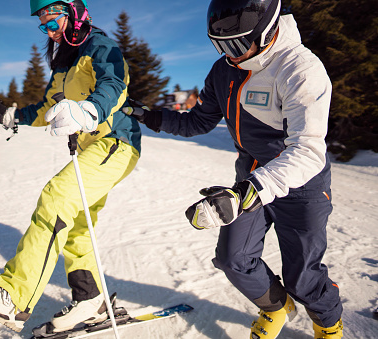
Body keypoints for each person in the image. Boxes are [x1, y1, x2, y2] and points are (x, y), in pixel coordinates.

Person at [124, 0, 343, 337]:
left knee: (304, 278)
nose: (232, 55)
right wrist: (149, 115)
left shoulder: (300, 68)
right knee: (233, 260)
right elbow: (198, 121)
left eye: (239, 44)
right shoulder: (222, 71)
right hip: (250, 179)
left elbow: (308, 150)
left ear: (268, 29)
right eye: (221, 45)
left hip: (300, 185)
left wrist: (248, 191)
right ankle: (275, 308)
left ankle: (328, 325)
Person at [0, 0, 141, 333]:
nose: (50, 32)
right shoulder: (63, 65)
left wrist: (89, 110)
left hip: (115, 142)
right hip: (92, 147)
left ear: (75, 13)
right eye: (44, 27)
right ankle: (91, 301)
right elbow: (46, 108)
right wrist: (13, 117)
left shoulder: (99, 46)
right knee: (78, 225)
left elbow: (114, 84)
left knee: (56, 199)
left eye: (53, 23)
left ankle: (14, 296)